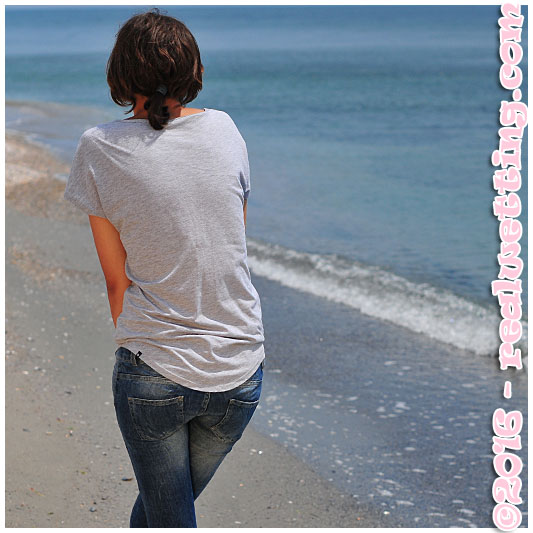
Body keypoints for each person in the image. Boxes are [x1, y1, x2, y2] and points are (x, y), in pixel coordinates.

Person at [63, 8, 266, 528]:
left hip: (155, 372)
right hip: (240, 370)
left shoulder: (98, 146)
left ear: (120, 73)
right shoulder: (225, 129)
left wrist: (143, 347)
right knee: (164, 511)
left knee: (167, 515)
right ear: (191, 71)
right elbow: (230, 243)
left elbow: (117, 279)